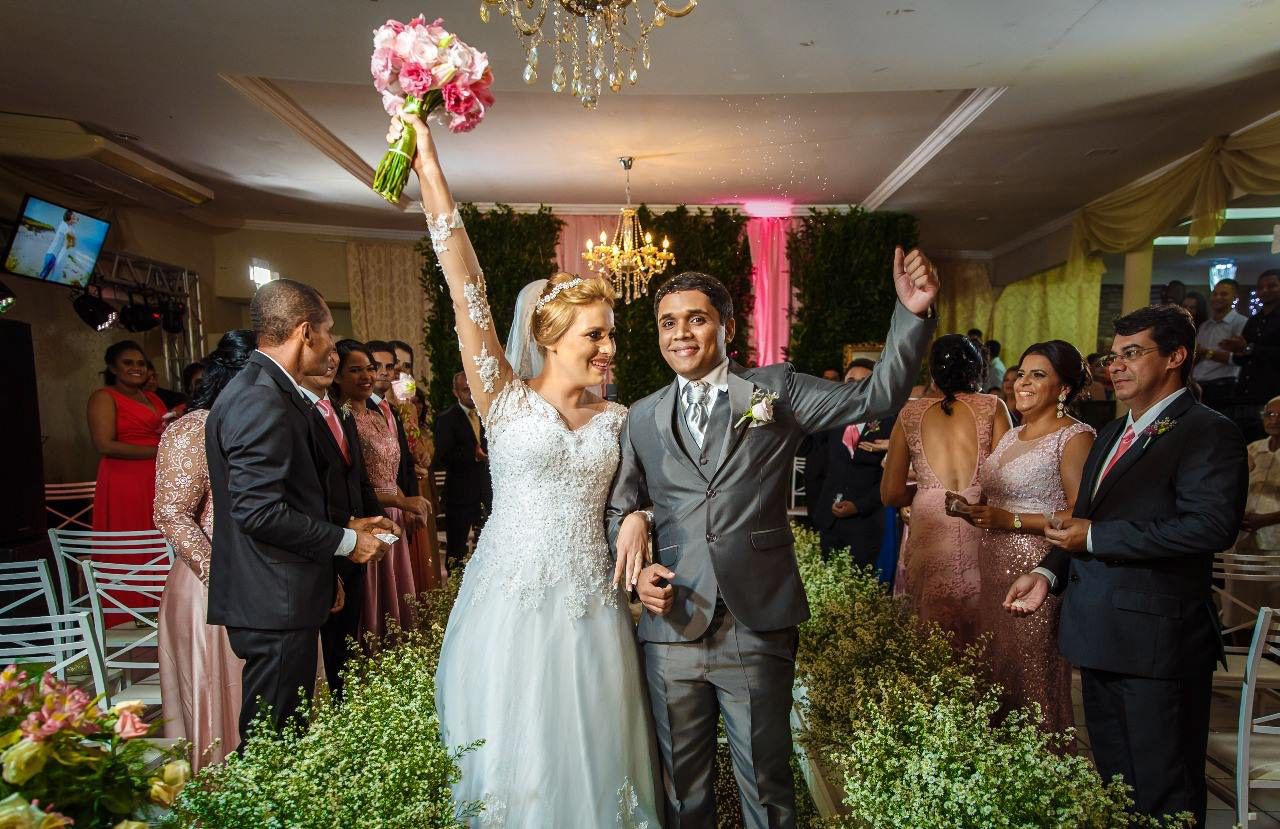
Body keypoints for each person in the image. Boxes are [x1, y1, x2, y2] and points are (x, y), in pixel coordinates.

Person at [399, 108, 661, 826]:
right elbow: (466, 288)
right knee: (519, 748)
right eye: (595, 335)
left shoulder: (622, 419)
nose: (610, 348)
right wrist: (431, 174)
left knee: (594, 745)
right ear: (550, 337)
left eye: (611, 334)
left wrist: (639, 514)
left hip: (592, 603)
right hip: (511, 600)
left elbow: (646, 494)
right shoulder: (503, 398)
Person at [609, 256, 938, 826]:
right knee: (681, 793)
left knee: (766, 785)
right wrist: (639, 571)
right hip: (671, 626)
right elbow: (621, 507)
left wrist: (910, 316)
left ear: (727, 327)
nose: (681, 333)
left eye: (696, 319)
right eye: (668, 322)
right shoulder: (641, 416)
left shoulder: (774, 389)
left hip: (754, 623)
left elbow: (878, 396)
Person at [1005, 304, 1248, 825]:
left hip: (1159, 640)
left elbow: (1210, 527)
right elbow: (1084, 518)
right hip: (1098, 630)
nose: (1115, 366)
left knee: (1164, 789)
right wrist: (1047, 572)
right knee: (1117, 785)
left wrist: (1095, 537)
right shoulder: (1113, 432)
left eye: (1131, 353)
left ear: (1176, 356)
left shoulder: (1207, 431)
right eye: (1111, 356)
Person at [205, 278, 392, 742]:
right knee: (273, 742)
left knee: (282, 733)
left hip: (279, 593)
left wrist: (345, 522)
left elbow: (285, 496)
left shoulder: (270, 389)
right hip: (274, 596)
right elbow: (258, 512)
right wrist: (346, 542)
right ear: (305, 331)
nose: (331, 345)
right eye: (328, 332)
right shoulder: (260, 397)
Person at [952, 340, 1094, 735]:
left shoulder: (1075, 437)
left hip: (1036, 565)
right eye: (1021, 373)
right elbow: (999, 497)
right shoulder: (1012, 436)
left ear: (1063, 388)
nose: (1022, 382)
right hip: (992, 563)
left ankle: (1045, 758)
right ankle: (999, 761)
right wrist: (972, 509)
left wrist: (1011, 520)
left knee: (1033, 674)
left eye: (1038, 375)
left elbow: (1080, 514)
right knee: (997, 668)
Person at [155, 330, 254, 771]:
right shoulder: (193, 427)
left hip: (258, 581)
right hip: (210, 585)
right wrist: (224, 576)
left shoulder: (255, 425)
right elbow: (172, 513)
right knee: (220, 702)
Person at [881, 334, 1012, 650]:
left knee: (932, 625)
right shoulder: (993, 407)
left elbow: (891, 494)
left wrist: (926, 493)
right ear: (978, 369)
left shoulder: (910, 414)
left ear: (933, 371)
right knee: (983, 623)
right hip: (980, 519)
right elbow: (1007, 481)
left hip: (930, 522)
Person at [299, 349, 385, 696]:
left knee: (348, 631)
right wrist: (344, 523)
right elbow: (307, 491)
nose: (329, 360)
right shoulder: (298, 413)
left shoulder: (341, 411)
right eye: (323, 352)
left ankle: (344, 697)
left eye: (334, 352)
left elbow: (359, 478)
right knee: (325, 635)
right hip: (321, 537)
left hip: (353, 538)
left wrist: (376, 518)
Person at [333, 338, 428, 642]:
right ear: (338, 375)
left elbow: (390, 469)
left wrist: (404, 500)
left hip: (394, 512)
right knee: (372, 597)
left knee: (397, 590)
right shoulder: (341, 417)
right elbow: (356, 482)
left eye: (371, 369)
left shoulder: (378, 414)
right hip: (370, 516)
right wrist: (401, 501)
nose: (368, 376)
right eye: (356, 370)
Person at [805, 359, 896, 564]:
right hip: (828, 518)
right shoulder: (832, 418)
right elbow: (811, 455)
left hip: (865, 521)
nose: (855, 387)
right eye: (850, 381)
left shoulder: (888, 422)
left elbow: (889, 477)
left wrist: (859, 506)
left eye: (863, 382)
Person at [88, 340, 168, 534]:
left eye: (141, 363)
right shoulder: (104, 397)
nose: (136, 368)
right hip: (126, 476)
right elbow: (104, 445)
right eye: (128, 363)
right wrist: (159, 451)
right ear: (113, 368)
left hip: (158, 473)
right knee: (133, 530)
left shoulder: (152, 397)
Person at [385, 338, 444, 591]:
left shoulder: (407, 397)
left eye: (407, 366)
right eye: (395, 364)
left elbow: (414, 435)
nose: (400, 371)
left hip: (417, 480)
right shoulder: (374, 401)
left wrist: (422, 454)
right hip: (392, 485)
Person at [1224, 396, 1280, 627]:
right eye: (1270, 414)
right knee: (1239, 610)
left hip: (1276, 548)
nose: (1274, 419)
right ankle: (1242, 650)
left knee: (1274, 611)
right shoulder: (1252, 450)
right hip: (1244, 543)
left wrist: (1265, 519)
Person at [433, 371, 493, 568]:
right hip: (459, 493)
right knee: (456, 548)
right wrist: (472, 455)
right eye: (466, 390)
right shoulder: (446, 418)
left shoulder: (488, 415)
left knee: (487, 544)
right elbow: (442, 456)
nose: (471, 394)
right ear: (456, 392)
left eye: (473, 388)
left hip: (486, 491)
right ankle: (455, 583)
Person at [1223, 270, 1280, 442]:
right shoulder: (1254, 320)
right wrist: (1236, 349)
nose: (1265, 290)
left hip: (1272, 394)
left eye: (1271, 286)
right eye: (1261, 287)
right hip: (1245, 394)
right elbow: (1241, 359)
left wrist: (1248, 349)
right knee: (1244, 444)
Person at [1193, 278, 1248, 411]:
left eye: (1224, 294)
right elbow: (1197, 352)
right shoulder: (1205, 325)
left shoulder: (1242, 322)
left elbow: (1237, 358)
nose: (1218, 297)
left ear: (1235, 297)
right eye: (1215, 294)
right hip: (1199, 383)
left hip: (1223, 385)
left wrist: (1205, 352)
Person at [39, 210, 77, 280]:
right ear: (69, 216)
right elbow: (72, 237)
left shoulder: (64, 224)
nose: (74, 217)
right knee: (43, 275)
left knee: (45, 275)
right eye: (73, 216)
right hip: (52, 254)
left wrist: (73, 223)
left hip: (52, 254)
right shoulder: (64, 225)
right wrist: (74, 223)